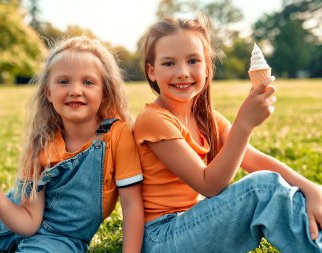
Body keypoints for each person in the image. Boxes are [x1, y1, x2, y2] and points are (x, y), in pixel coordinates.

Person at [133, 16, 322, 253]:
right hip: (163, 237)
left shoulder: (206, 116)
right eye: (169, 63)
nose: (182, 72)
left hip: (194, 222)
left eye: (193, 61)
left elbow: (253, 160)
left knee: (278, 187)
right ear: (151, 71)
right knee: (262, 188)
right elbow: (209, 185)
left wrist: (311, 189)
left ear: (207, 68)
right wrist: (244, 124)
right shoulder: (153, 120)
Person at [0, 36, 144, 252]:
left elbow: (132, 207)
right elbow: (28, 223)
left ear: (104, 92)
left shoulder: (117, 135)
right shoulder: (41, 142)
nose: (75, 90)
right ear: (48, 92)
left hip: (61, 239)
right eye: (63, 81)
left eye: (88, 82)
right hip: (4, 216)